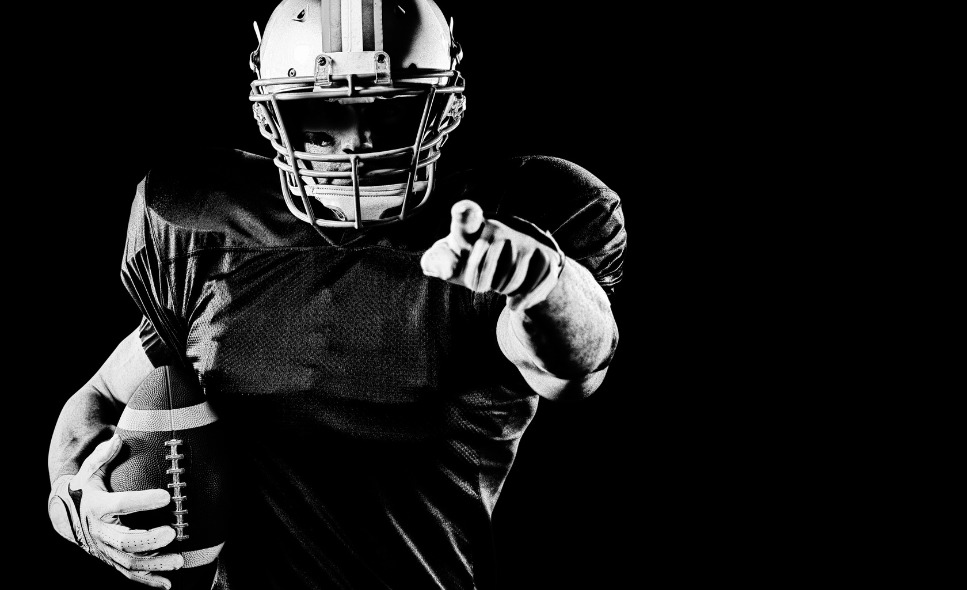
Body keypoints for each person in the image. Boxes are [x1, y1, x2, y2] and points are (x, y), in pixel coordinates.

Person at [46, 1, 626, 588]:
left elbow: (574, 370)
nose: (356, 142)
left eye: (389, 110)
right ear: (273, 115)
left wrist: (541, 280)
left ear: (444, 108)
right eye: (323, 111)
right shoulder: (215, 235)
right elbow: (95, 396)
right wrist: (77, 505)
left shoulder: (488, 238)